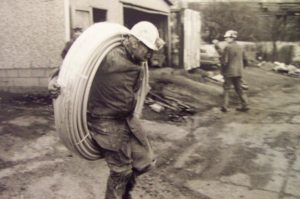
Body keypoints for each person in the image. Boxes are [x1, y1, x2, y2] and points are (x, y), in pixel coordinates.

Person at [48, 21, 164, 199]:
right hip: (104, 120)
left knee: (146, 161)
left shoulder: (139, 63)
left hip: (127, 118)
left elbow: (135, 90)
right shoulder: (106, 56)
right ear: (134, 42)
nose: (150, 55)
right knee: (121, 171)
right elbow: (68, 68)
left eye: (152, 51)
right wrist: (53, 81)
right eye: (147, 49)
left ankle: (124, 192)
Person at [220, 30, 249, 112]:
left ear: (232, 38)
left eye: (227, 37)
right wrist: (241, 67)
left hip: (229, 71)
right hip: (238, 72)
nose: (226, 39)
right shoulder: (241, 47)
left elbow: (224, 61)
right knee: (239, 88)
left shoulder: (227, 47)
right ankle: (245, 105)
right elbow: (246, 60)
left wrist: (222, 70)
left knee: (226, 89)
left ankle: (225, 106)